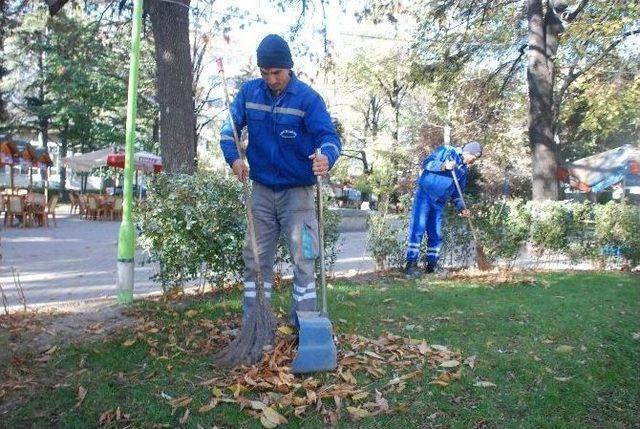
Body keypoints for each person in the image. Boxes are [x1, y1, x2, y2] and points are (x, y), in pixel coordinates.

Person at [219, 34, 341, 324]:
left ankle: (304, 324)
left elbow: (329, 137)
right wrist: (234, 159)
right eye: (265, 72)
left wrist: (326, 156)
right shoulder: (249, 94)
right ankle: (256, 324)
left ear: (289, 67)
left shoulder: (308, 99)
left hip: (298, 194)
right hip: (260, 192)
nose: (271, 79)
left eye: (277, 72)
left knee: (305, 259)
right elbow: (229, 132)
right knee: (255, 259)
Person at [404, 141, 482, 278]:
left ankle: (431, 265)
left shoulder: (463, 169)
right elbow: (427, 163)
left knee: (436, 233)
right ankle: (411, 265)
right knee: (418, 229)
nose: (474, 161)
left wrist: (462, 207)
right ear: (468, 153)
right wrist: (443, 166)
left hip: (439, 202)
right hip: (425, 195)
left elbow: (457, 193)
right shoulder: (447, 151)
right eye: (474, 158)